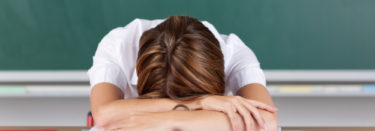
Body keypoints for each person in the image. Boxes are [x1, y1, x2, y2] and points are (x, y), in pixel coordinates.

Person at [88, 16, 278, 131]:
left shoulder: (234, 52)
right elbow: (104, 115)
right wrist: (198, 103)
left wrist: (169, 121)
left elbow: (266, 122)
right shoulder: (118, 45)